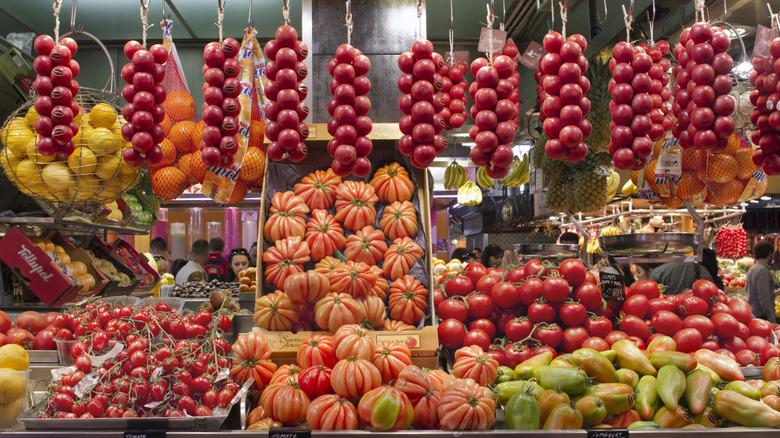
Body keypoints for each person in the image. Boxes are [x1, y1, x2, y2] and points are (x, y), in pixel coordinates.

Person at [649, 256, 716, 295]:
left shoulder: (657, 272)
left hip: (666, 315)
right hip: (698, 314)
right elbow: (712, 294)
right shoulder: (702, 270)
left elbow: (652, 297)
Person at [747, 241, 776, 323]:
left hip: (753, 311)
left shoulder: (753, 268)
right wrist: (771, 318)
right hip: (762, 315)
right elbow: (764, 297)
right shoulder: (763, 271)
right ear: (770, 254)